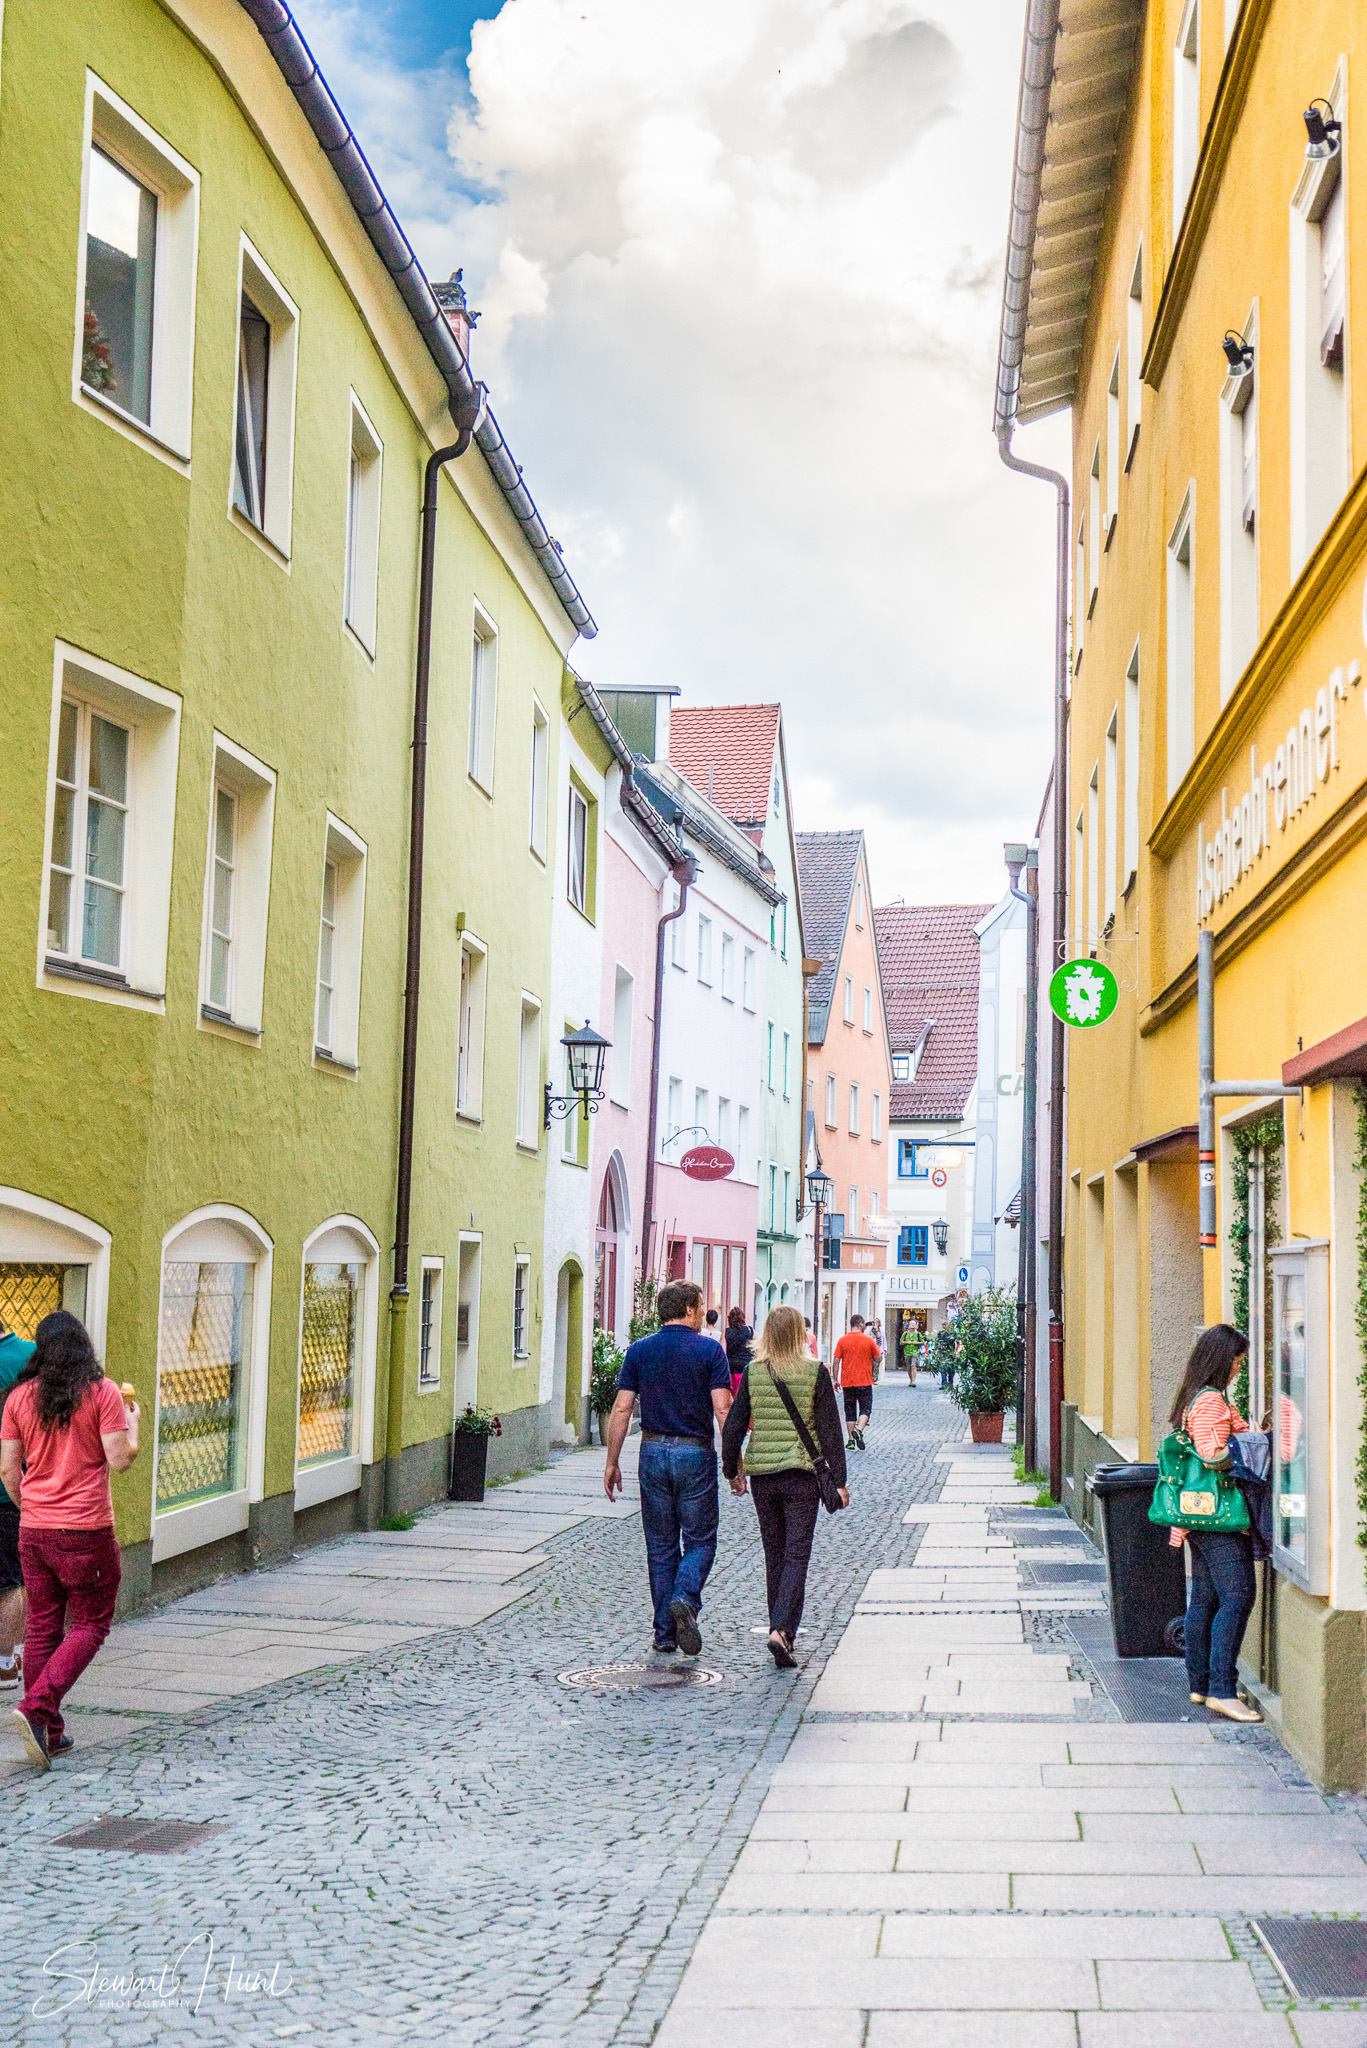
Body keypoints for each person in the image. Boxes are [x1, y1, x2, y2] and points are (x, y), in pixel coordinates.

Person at [0, 1311, 139, 1768]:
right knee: (91, 1624)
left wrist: (31, 1511)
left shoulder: (19, 1397)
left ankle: (49, 1733)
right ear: (84, 1345)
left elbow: (7, 1470)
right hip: (86, 1530)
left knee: (42, 1627)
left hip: (34, 1530)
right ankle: (37, 1708)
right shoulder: (104, 1393)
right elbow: (120, 1460)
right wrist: (133, 1423)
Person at [604, 1280, 731, 1656]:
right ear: (691, 1309)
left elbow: (622, 1408)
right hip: (694, 1453)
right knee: (700, 1539)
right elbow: (722, 1408)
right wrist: (734, 1461)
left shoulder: (640, 1351)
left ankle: (664, 1633)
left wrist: (612, 1462)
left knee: (660, 1546)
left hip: (652, 1451)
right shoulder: (710, 1351)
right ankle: (685, 1599)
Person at [723, 1306, 848, 1668]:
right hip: (800, 1475)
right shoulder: (814, 1373)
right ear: (799, 1334)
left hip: (763, 1475)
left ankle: (782, 1633)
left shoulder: (753, 1372)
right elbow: (830, 1432)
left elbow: (733, 1426)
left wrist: (732, 1469)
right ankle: (781, 1631)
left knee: (774, 1553)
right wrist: (838, 1482)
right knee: (796, 1555)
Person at [1167, 1324, 1261, 1724]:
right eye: (1238, 1361)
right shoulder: (1208, 1401)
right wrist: (1251, 1446)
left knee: (1205, 1598)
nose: (1240, 1368)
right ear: (1223, 1360)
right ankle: (1223, 1689)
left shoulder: (1199, 1396)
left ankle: (1201, 1684)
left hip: (1201, 1515)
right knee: (1238, 1596)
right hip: (1216, 1517)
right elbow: (1212, 1454)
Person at [0, 1316, 37, 1693]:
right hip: (18, 1485)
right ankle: (9, 1660)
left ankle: (5, 1665)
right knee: (13, 1578)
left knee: (8, 1581)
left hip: (8, 1486)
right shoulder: (32, 1356)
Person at [833, 1313, 881, 1450]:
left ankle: (850, 1440)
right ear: (860, 1324)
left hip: (847, 1381)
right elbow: (879, 1359)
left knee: (850, 1410)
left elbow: (836, 1360)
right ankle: (859, 1430)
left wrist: (835, 1379)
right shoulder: (868, 1340)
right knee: (865, 1408)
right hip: (864, 1380)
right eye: (864, 1325)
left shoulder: (842, 1340)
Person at [724, 1306, 754, 1395]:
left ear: (729, 1319)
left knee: (733, 1395)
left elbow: (722, 1353)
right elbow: (758, 1348)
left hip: (732, 1368)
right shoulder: (750, 1330)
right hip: (746, 1367)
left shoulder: (726, 1333)